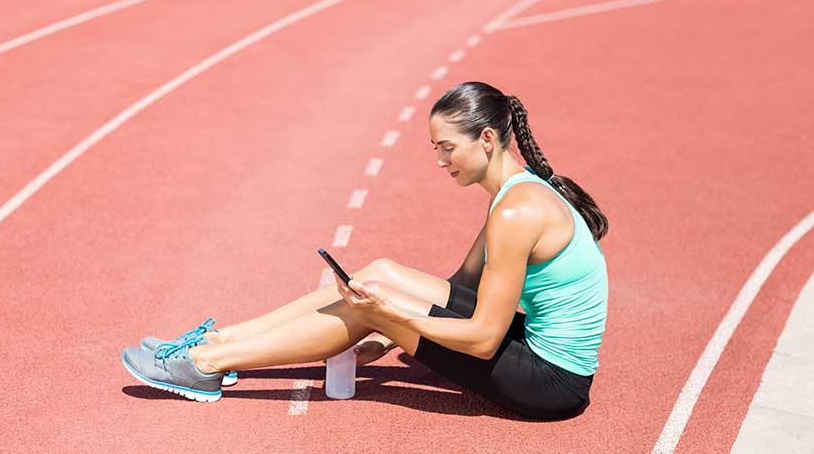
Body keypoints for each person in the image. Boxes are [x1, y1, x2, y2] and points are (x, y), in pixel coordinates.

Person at [121, 81, 609, 420]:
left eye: (446, 148)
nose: (439, 161)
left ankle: (204, 369)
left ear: (486, 139)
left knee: (371, 306)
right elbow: (460, 288)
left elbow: (482, 338)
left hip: (551, 383)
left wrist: (389, 317)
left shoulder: (516, 213)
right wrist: (390, 325)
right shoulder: (516, 192)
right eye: (434, 149)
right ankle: (216, 344)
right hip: (534, 351)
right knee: (376, 275)